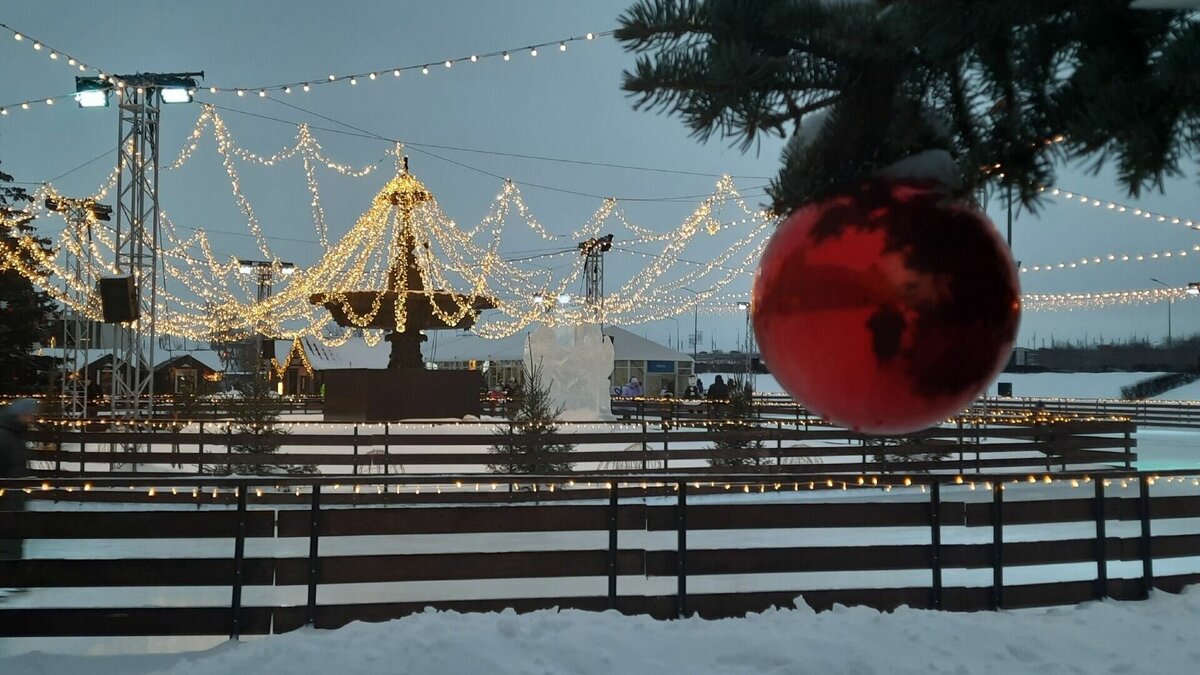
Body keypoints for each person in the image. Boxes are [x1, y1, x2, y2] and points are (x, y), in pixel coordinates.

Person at [1, 398, 37, 563]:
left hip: (13, 496)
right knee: (10, 536)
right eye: (29, 415)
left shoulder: (14, 434)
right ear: (20, 414)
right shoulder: (6, 436)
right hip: (8, 497)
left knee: (12, 537)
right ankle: (10, 574)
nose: (32, 418)